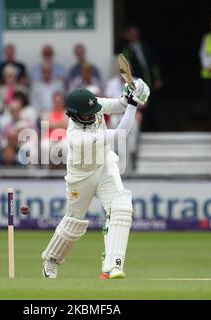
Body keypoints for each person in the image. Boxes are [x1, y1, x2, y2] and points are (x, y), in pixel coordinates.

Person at [41, 79, 150, 279]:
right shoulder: (76, 137)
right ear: (74, 115)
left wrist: (131, 91)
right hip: (81, 176)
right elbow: (121, 133)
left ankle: (113, 265)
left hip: (105, 165)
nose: (93, 115)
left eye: (94, 110)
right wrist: (135, 104)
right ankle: (51, 260)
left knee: (121, 207)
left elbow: (119, 105)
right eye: (87, 114)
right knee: (74, 222)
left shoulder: (94, 105)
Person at [119, 25, 162, 131]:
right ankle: (144, 130)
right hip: (137, 83)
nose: (133, 35)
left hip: (150, 82)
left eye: (135, 33)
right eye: (131, 33)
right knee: (140, 106)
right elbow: (125, 64)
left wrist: (157, 78)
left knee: (153, 107)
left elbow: (154, 64)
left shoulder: (145, 47)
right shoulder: (126, 49)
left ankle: (154, 130)